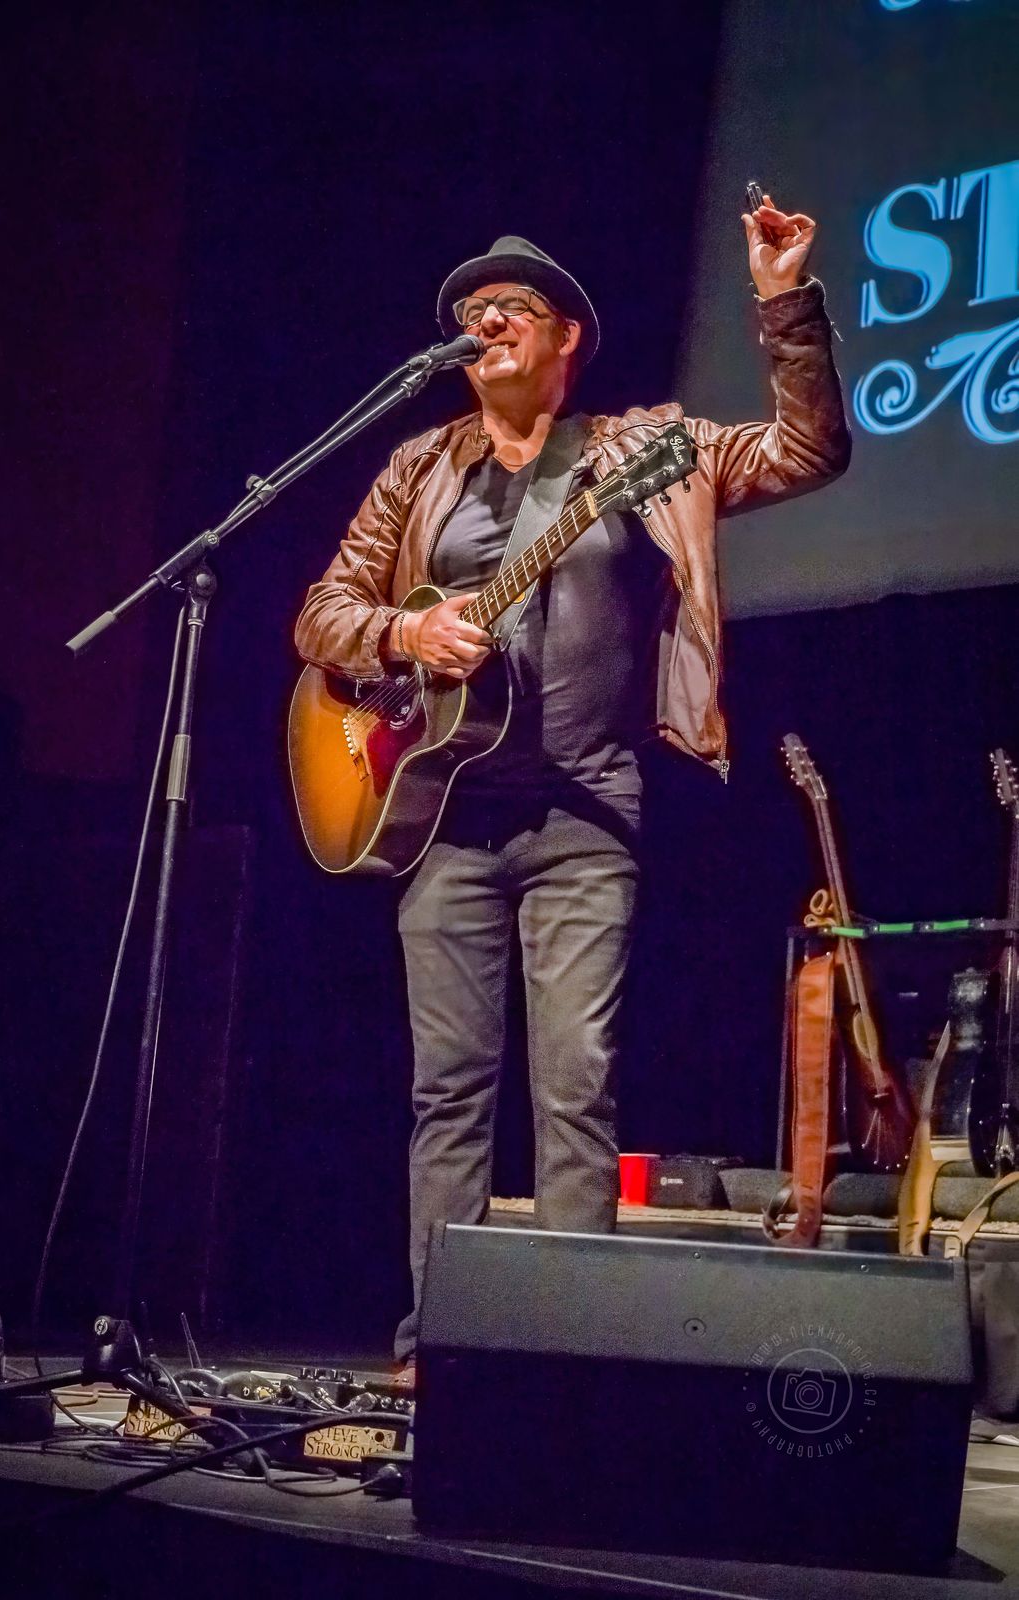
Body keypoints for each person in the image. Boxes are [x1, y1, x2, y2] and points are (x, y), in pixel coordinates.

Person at [294, 198, 851, 1370]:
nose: (484, 320)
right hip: (444, 816)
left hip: (587, 812)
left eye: (512, 306)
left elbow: (808, 450)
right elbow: (323, 615)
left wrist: (782, 301)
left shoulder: (640, 450)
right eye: (470, 310)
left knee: (575, 1086)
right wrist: (406, 632)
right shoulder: (419, 467)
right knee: (448, 1091)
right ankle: (439, 1342)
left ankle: (562, 1350)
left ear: (567, 337)